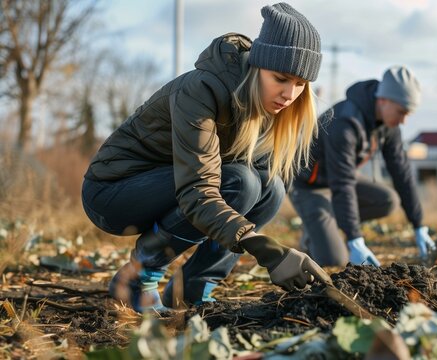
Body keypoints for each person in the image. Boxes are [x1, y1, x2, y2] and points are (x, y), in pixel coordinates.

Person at [81, 3, 329, 312]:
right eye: (280, 78)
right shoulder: (201, 90)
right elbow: (198, 190)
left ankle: (193, 288)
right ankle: (135, 281)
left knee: (270, 188)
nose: (289, 94)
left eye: (300, 84)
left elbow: (253, 187)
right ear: (257, 66)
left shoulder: (270, 106)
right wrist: (262, 247)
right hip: (113, 194)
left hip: (170, 186)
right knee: (241, 183)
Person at [289, 66, 436, 267]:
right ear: (383, 100)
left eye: (408, 114)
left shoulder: (388, 125)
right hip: (309, 186)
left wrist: (418, 224)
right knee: (334, 260)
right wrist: (354, 239)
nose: (404, 120)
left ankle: (326, 223)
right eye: (402, 112)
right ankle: (314, 231)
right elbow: (342, 184)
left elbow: (401, 172)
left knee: (387, 200)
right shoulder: (344, 122)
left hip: (341, 177)